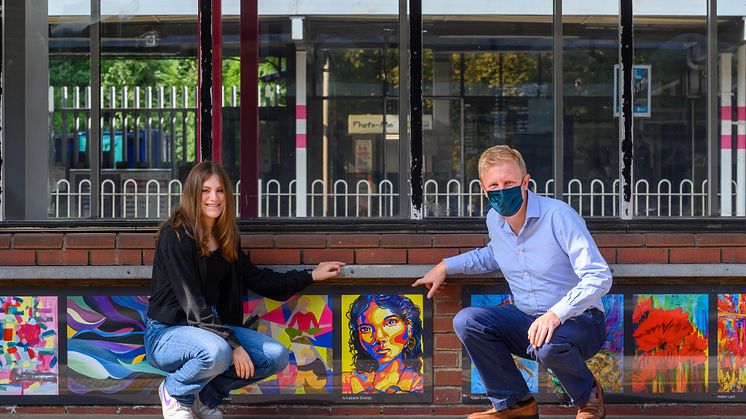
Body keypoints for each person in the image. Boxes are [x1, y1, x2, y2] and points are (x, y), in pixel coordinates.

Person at [413, 145, 611, 419]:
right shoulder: (495, 219)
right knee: (468, 320)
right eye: (494, 185)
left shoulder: (558, 216)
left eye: (509, 182)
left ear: (525, 182)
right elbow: (494, 254)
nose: (501, 190)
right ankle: (516, 405)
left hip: (580, 321)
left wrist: (556, 314)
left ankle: (588, 396)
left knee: (548, 342)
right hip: (527, 319)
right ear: (483, 189)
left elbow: (598, 275)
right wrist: (446, 265)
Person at [144, 161, 345, 419]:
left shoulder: (225, 237)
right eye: (205, 191)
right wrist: (234, 345)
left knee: (276, 356)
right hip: (166, 333)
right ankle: (175, 392)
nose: (213, 198)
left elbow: (259, 279)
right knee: (218, 351)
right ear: (193, 193)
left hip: (209, 330)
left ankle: (205, 397)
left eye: (219, 191)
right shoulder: (177, 236)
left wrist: (311, 276)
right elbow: (193, 304)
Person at [342, 294, 424, 394]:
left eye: (390, 322)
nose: (379, 337)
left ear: (409, 328)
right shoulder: (346, 382)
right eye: (366, 329)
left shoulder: (419, 384)